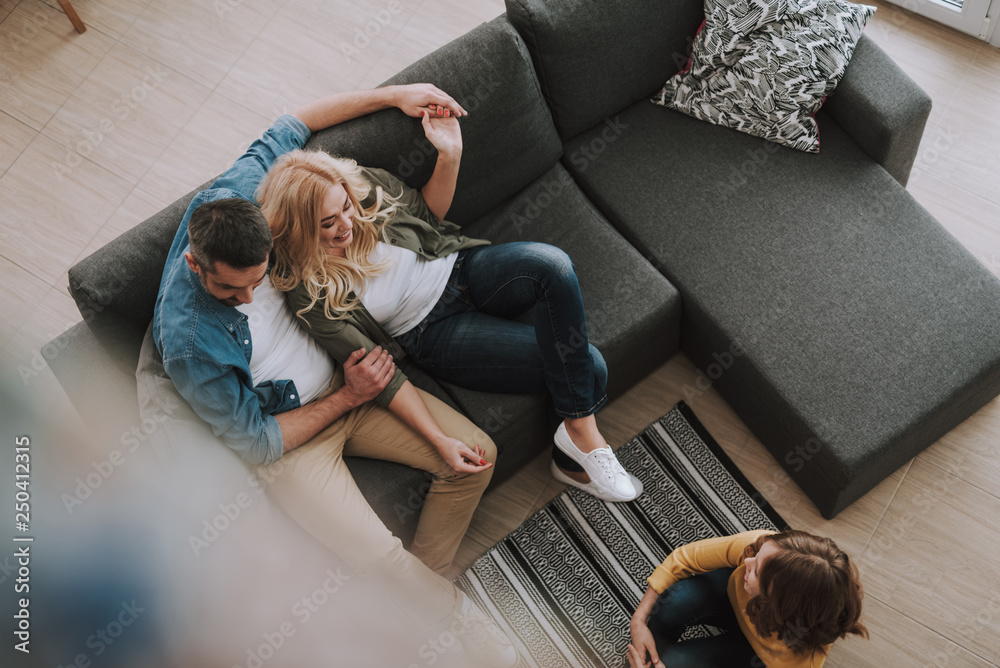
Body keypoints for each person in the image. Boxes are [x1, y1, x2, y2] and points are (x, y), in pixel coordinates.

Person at [151, 84, 516, 668]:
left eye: (257, 278)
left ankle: (425, 588)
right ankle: (465, 631)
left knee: (475, 455)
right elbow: (256, 441)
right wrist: (350, 395)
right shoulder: (191, 343)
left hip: (359, 390)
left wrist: (400, 94)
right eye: (229, 289)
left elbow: (293, 122)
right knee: (375, 555)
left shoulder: (245, 195)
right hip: (295, 438)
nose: (247, 295)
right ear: (197, 265)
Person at [257, 103, 643, 503]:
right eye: (328, 223)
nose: (347, 225)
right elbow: (380, 374)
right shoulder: (308, 291)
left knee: (553, 266)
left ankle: (581, 436)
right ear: (301, 229)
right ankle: (571, 463)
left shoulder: (363, 183)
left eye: (346, 208)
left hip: (461, 270)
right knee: (589, 367)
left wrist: (450, 154)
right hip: (432, 331)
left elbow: (428, 217)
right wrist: (439, 439)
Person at [626, 529, 869, 668]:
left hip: (752, 654)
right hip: (732, 601)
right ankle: (646, 652)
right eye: (756, 557)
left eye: (756, 571)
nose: (746, 562)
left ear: (779, 602)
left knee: (676, 661)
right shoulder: (760, 547)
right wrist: (639, 620)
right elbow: (684, 558)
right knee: (679, 598)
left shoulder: (800, 661)